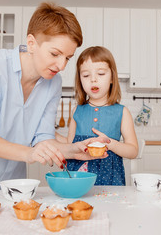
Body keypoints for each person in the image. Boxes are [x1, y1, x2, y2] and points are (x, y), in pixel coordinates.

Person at [0, 2, 108, 195]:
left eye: (67, 57)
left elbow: (43, 137)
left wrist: (73, 150)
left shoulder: (53, 83)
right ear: (31, 43)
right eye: (55, 54)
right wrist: (29, 153)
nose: (61, 65)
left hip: (11, 171)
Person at [56, 46, 138, 185]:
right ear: (80, 80)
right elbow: (70, 144)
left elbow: (133, 151)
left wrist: (109, 143)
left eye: (100, 73)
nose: (93, 80)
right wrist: (50, 133)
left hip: (110, 180)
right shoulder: (77, 110)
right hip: (77, 178)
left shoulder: (122, 112)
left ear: (112, 78)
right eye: (86, 75)